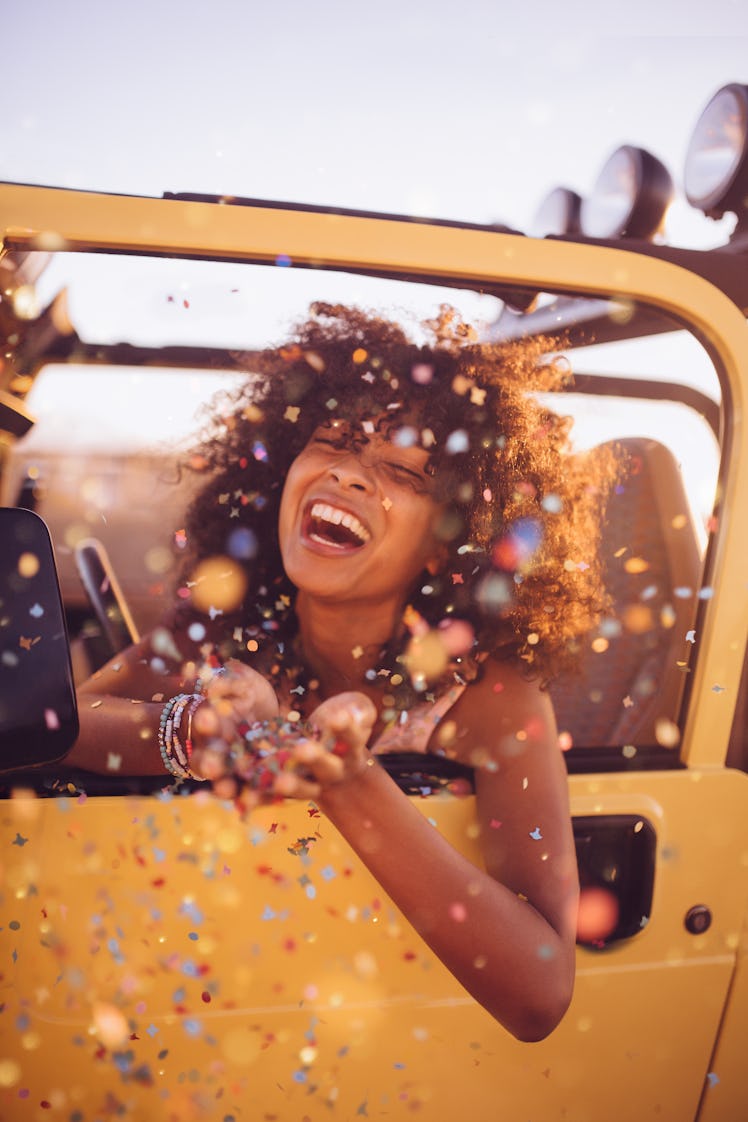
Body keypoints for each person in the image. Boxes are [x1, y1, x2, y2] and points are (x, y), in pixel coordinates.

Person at [70, 302, 617, 1042]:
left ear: (449, 543)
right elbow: (51, 725)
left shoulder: (488, 697)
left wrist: (345, 778)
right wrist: (199, 732)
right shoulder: (221, 629)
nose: (349, 476)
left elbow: (540, 991)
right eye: (333, 442)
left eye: (400, 470)